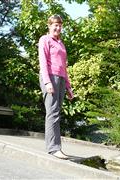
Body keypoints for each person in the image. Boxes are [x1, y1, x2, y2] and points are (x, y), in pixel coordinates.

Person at [38, 14, 74, 159]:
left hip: (60, 79)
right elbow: (43, 62)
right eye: (55, 25)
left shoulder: (61, 44)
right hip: (50, 78)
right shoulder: (45, 39)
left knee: (56, 113)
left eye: (60, 25)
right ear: (49, 26)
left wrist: (68, 86)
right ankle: (53, 148)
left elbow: (64, 68)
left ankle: (56, 147)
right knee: (52, 112)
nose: (58, 28)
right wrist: (47, 82)